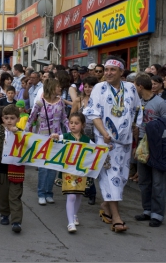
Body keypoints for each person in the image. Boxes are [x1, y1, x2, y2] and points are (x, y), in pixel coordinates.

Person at [83, 55, 142, 233]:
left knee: (122, 178)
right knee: (111, 177)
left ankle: (106, 205)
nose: (108, 73)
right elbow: (93, 113)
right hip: (105, 142)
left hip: (125, 142)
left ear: (121, 72)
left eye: (112, 70)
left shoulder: (131, 88)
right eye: (106, 70)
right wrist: (103, 133)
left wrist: (136, 131)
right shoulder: (99, 88)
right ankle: (117, 217)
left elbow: (138, 110)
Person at [25, 79, 70, 205]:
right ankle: (41, 193)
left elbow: (64, 118)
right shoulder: (40, 102)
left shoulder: (60, 102)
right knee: (43, 167)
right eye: (58, 86)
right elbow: (31, 119)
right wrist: (24, 135)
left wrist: (71, 130)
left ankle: (49, 192)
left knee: (53, 166)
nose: (60, 88)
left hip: (57, 137)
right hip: (42, 138)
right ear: (51, 87)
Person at [50, 112, 93, 232]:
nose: (73, 125)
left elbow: (97, 149)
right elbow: (57, 138)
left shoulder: (86, 140)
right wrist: (54, 136)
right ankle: (70, 223)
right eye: (71, 123)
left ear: (83, 125)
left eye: (76, 123)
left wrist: (106, 148)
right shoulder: (66, 136)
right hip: (68, 171)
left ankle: (74, 215)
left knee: (79, 194)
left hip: (81, 172)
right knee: (72, 195)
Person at [134, 73, 166, 227]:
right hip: (141, 143)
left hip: (157, 144)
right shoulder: (138, 102)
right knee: (144, 180)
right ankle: (147, 209)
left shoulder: (161, 103)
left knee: (158, 182)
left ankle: (157, 214)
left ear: (140, 86)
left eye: (135, 86)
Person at [0, 104, 24, 233]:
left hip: (16, 169)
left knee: (15, 196)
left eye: (12, 118)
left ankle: (16, 221)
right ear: (2, 119)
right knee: (3, 195)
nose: (9, 121)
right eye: (6, 118)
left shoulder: (22, 134)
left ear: (18, 119)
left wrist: (18, 134)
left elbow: (28, 149)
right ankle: (4, 214)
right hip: (2, 169)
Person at [71, 76, 99, 205]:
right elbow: (71, 116)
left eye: (91, 86)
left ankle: (91, 191)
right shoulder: (79, 100)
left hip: (95, 136)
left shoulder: (99, 99)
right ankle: (84, 189)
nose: (88, 89)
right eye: (86, 86)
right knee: (81, 163)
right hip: (81, 136)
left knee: (91, 164)